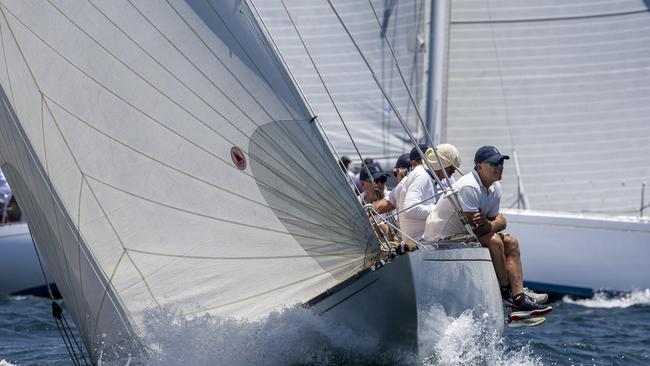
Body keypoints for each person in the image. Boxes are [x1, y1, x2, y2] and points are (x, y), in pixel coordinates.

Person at [423, 145, 550, 317]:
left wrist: (492, 223)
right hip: (441, 240)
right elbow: (482, 227)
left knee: (511, 242)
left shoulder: (495, 187)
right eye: (495, 163)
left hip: (464, 236)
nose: (500, 167)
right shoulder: (469, 186)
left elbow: (489, 223)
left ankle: (519, 299)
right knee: (495, 241)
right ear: (479, 166)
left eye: (501, 163)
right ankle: (506, 294)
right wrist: (494, 223)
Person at [373, 144, 460, 247]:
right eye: (450, 170)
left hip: (426, 240)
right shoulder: (422, 176)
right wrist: (439, 210)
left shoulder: (428, 176)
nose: (450, 175)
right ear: (440, 164)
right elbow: (410, 209)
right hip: (420, 242)